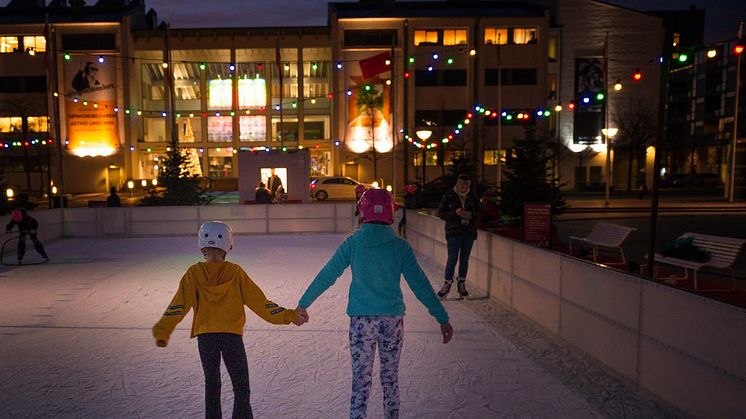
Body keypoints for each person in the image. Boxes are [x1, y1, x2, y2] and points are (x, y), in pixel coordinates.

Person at [297, 188, 453, 419]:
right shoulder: (400, 247)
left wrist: (303, 303)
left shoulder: (353, 244)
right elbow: (420, 285)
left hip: (362, 323)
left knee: (361, 381)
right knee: (390, 379)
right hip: (392, 323)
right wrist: (442, 317)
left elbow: (327, 275)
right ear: (391, 212)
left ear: (363, 211)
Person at [153, 221, 307, 419]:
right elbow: (261, 304)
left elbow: (178, 305)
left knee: (212, 386)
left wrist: (162, 330)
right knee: (241, 387)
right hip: (231, 337)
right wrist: (290, 315)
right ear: (229, 247)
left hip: (206, 338)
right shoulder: (235, 273)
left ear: (201, 246)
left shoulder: (194, 273)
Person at [437, 174, 481, 298]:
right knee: (452, 258)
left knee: (464, 259)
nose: (463, 188)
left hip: (468, 232)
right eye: (461, 186)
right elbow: (441, 213)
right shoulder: (449, 195)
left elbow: (479, 212)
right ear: (457, 184)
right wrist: (454, 213)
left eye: (465, 186)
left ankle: (461, 283)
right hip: (454, 232)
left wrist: (471, 214)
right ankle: (447, 283)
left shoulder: (472, 197)